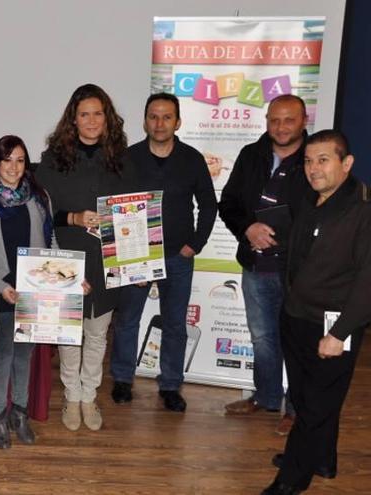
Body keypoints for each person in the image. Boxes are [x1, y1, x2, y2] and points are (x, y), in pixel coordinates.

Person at [261, 130, 370, 494]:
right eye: (308, 160)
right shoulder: (312, 201)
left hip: (333, 326)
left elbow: (368, 283)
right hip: (297, 317)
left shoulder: (362, 212)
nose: (313, 168)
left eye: (323, 159)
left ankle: (291, 480)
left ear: (347, 163)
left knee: (314, 406)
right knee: (310, 397)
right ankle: (321, 458)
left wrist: (340, 333)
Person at [35, 83, 138, 432]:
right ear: (73, 120)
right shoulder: (52, 160)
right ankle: (71, 394)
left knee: (97, 334)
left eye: (98, 113)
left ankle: (89, 395)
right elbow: (42, 211)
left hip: (108, 261)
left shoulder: (124, 160)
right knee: (69, 334)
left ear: (107, 119)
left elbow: (135, 213)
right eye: (84, 114)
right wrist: (74, 218)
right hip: (67, 260)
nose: (91, 120)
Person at [109, 93, 217, 412]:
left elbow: (209, 206)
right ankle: (122, 380)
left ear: (178, 122)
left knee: (173, 323)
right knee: (127, 320)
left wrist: (194, 245)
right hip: (135, 256)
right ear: (145, 121)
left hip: (177, 256)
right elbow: (115, 208)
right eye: (153, 116)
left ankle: (170, 385)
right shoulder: (127, 159)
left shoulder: (192, 159)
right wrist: (127, 258)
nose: (159, 123)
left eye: (166, 117)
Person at [219, 94, 308, 434]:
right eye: (274, 120)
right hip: (255, 266)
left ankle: (295, 409)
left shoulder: (313, 159)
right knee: (262, 339)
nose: (281, 127)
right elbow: (228, 203)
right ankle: (267, 396)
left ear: (303, 122)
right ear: (267, 121)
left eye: (289, 120)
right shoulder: (251, 155)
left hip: (297, 272)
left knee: (297, 342)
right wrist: (248, 228)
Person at [0, 135, 54, 449]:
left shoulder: (39, 197)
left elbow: (51, 243)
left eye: (19, 160)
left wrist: (72, 278)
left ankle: (20, 413)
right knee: (2, 357)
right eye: (7, 160)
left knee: (24, 357)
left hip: (34, 293)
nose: (13, 167)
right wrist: (2, 285)